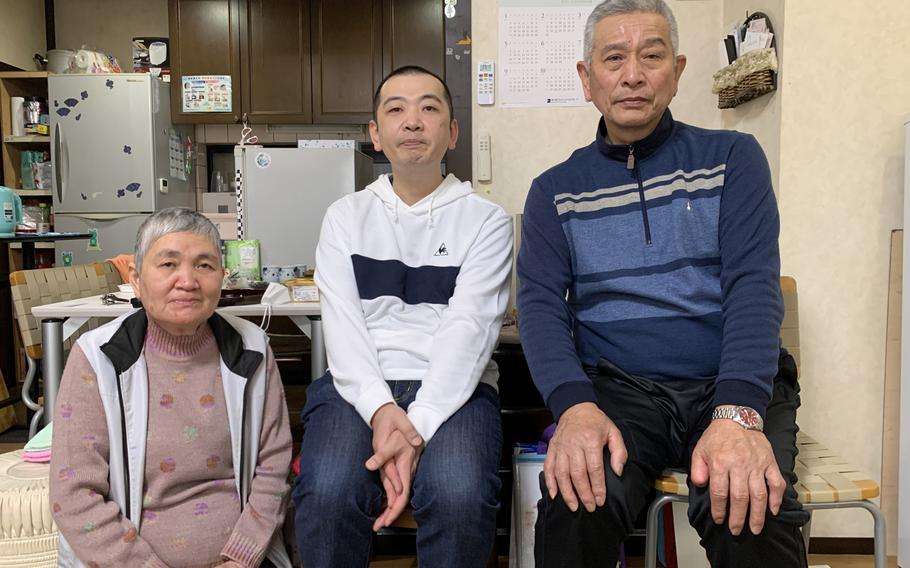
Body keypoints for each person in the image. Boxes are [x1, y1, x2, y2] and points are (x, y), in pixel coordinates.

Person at [516, 1, 809, 566]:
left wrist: (738, 411)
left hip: (728, 380)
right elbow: (540, 307)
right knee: (576, 502)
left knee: (749, 507)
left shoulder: (733, 158)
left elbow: (753, 287)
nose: (632, 75)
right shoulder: (553, 191)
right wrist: (574, 408)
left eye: (651, 56)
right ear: (586, 78)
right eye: (614, 58)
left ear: (676, 72)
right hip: (622, 392)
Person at [292, 65, 513, 567]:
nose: (413, 121)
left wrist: (416, 424)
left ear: (452, 132)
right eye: (396, 109)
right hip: (357, 385)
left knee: (460, 497)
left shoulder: (487, 221)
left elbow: (470, 332)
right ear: (376, 133)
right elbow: (343, 328)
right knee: (325, 494)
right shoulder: (345, 216)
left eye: (430, 108)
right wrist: (381, 410)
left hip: (455, 389)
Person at [49, 207, 293, 568]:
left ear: (222, 277)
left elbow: (274, 467)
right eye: (168, 265)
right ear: (136, 277)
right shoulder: (97, 358)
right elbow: (73, 494)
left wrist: (242, 557)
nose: (188, 281)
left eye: (204, 265)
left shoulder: (252, 348)